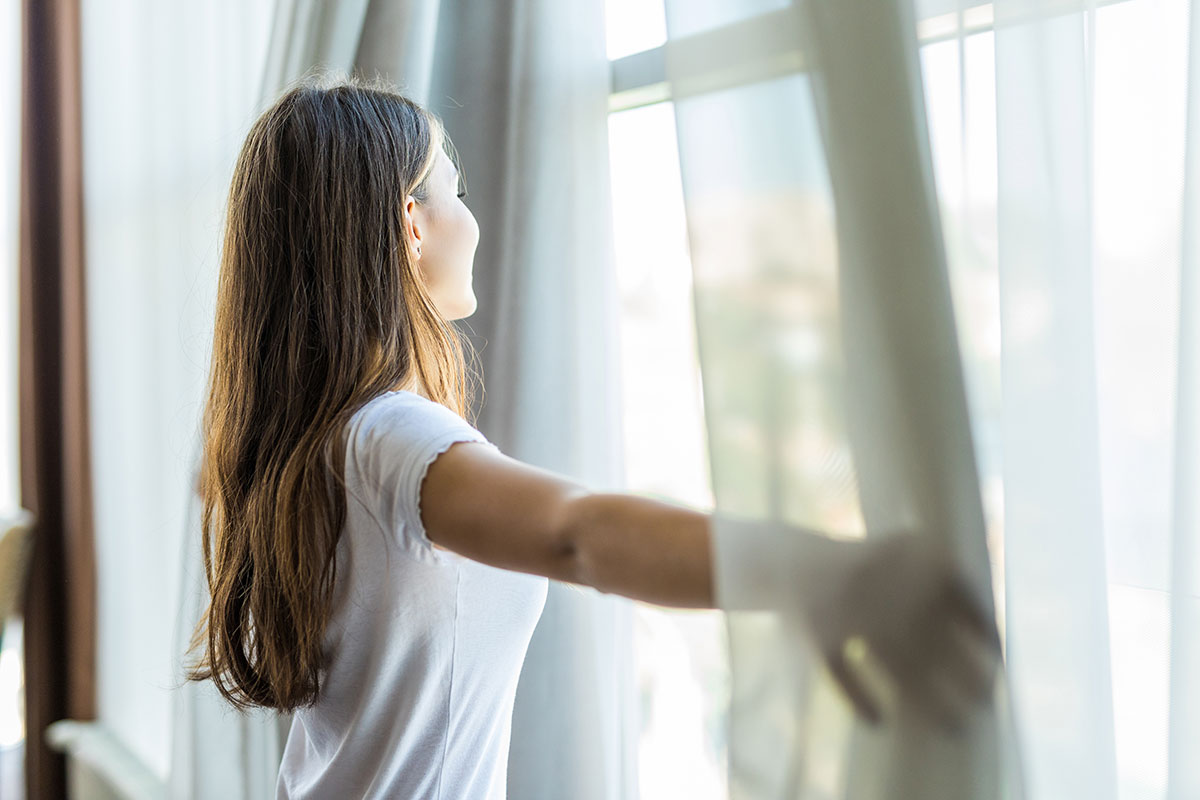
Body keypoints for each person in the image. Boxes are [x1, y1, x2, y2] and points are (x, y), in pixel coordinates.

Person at [185, 74, 1001, 800]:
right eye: (455, 190)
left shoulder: (305, 441)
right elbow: (577, 533)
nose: (470, 217)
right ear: (412, 223)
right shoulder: (390, 438)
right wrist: (827, 572)